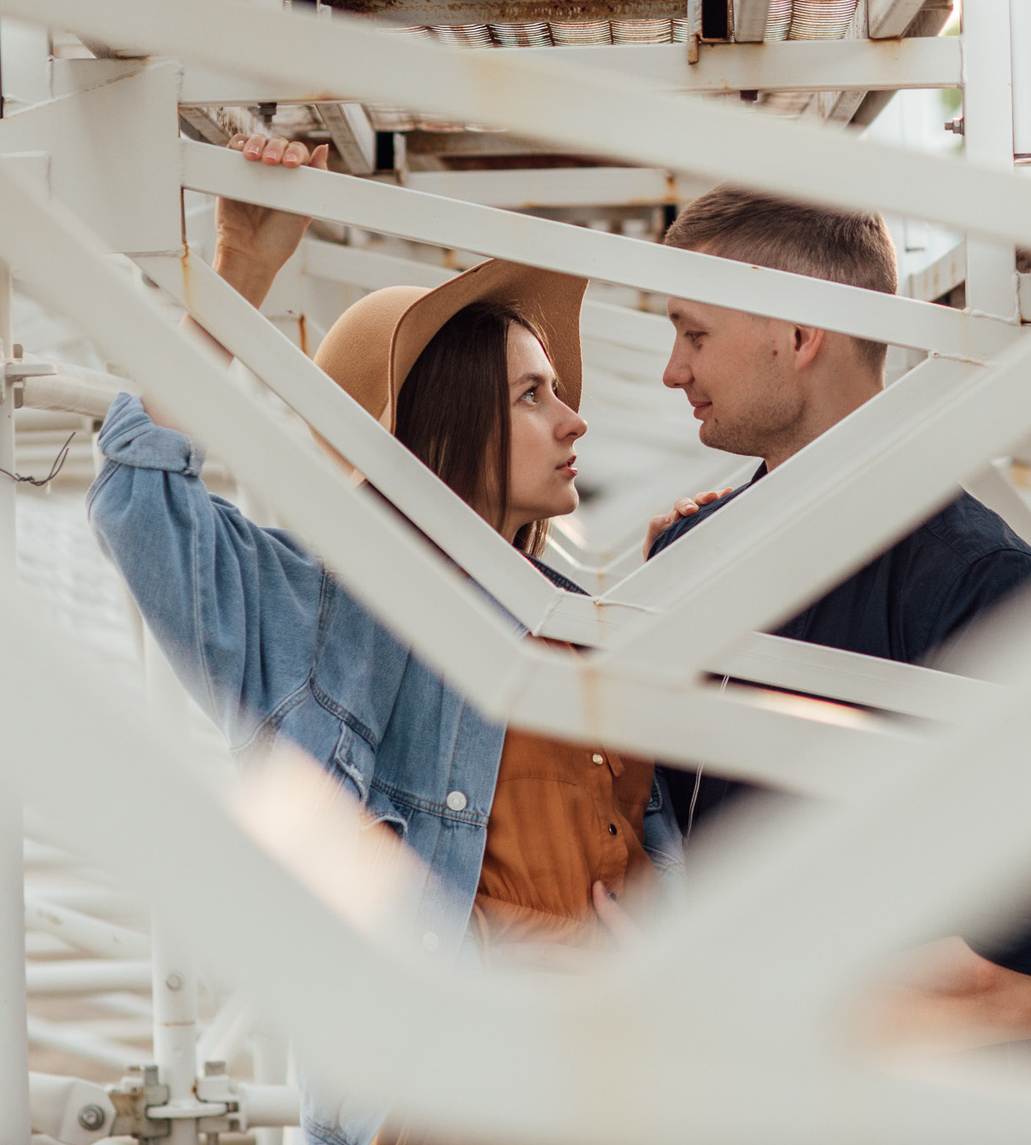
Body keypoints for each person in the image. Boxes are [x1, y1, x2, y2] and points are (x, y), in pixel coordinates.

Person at [88, 134, 680, 1145]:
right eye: (532, 395)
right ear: (437, 429)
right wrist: (242, 271)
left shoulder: (585, 626)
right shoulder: (330, 622)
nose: (572, 421)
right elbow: (140, 499)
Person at [647, 185, 1031, 1056]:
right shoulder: (687, 558)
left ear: (801, 335)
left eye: (695, 334)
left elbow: (1016, 984)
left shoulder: (983, 588)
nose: (672, 369)